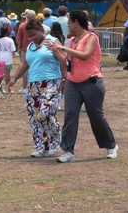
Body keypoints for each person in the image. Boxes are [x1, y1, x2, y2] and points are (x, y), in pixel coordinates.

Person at [48, 10, 118, 163]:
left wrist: (63, 48)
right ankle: (68, 151)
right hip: (73, 82)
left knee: (95, 115)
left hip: (91, 82)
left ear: (76, 22)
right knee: (70, 115)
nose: (68, 26)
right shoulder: (72, 40)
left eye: (69, 23)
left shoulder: (91, 37)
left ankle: (111, 145)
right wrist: (56, 50)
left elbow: (85, 55)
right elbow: (68, 61)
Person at [8, 19, 67, 157]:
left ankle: (56, 141)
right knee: (34, 117)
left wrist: (65, 79)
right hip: (33, 84)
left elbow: (63, 59)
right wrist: (14, 79)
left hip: (51, 82)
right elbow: (25, 63)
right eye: (29, 36)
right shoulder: (30, 47)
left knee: (45, 112)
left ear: (41, 30)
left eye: (33, 35)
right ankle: (42, 146)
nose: (31, 38)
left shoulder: (52, 41)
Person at [0, 25, 16, 93]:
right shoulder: (10, 40)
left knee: (0, 74)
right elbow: (13, 49)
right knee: (7, 74)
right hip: (8, 59)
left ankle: (0, 89)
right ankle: (8, 89)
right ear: (7, 32)